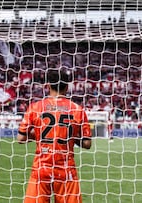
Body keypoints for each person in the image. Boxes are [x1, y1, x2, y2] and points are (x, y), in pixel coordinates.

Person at [17, 69, 92, 203]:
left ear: (48, 86)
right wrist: (70, 136)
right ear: (67, 87)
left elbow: (21, 138)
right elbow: (87, 144)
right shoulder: (77, 109)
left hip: (41, 168)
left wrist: (39, 135)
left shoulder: (35, 107)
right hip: (66, 169)